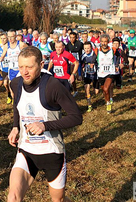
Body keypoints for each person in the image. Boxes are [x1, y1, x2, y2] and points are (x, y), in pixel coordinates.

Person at [7, 46, 83, 202]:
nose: (24, 71)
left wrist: (45, 125)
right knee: (13, 197)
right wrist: (15, 127)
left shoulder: (53, 86)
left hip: (52, 152)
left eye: (29, 67)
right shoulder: (15, 84)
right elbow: (17, 105)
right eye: (21, 66)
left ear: (41, 65)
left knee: (58, 200)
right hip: (26, 151)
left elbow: (76, 117)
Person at [96, 34, 121, 114]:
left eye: (105, 42)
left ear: (108, 42)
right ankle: (107, 102)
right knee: (104, 90)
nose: (104, 43)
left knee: (106, 88)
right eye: (102, 41)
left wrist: (117, 65)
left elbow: (118, 56)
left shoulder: (113, 50)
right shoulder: (97, 51)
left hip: (110, 72)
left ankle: (108, 103)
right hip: (101, 73)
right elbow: (93, 59)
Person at [81, 42, 99, 112]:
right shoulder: (83, 56)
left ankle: (96, 87)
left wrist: (94, 64)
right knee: (87, 88)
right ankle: (89, 105)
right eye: (85, 48)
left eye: (88, 48)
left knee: (96, 92)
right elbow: (81, 63)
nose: (87, 50)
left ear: (91, 48)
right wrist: (82, 67)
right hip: (87, 74)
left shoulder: (95, 55)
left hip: (95, 75)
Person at [65, 32, 83, 97]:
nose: (72, 39)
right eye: (71, 38)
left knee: (79, 78)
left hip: (78, 63)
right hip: (71, 63)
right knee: (72, 78)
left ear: (76, 38)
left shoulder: (80, 44)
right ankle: (75, 90)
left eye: (73, 37)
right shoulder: (68, 45)